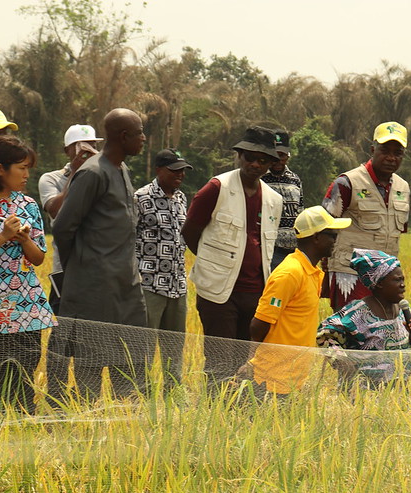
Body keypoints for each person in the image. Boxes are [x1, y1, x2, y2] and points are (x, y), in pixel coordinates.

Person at [51, 108, 149, 398]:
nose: (143, 139)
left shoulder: (122, 168)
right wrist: (82, 266)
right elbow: (64, 227)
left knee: (129, 356)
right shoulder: (93, 172)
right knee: (90, 358)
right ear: (123, 136)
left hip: (125, 285)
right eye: (140, 133)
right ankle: (86, 422)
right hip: (94, 286)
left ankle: (124, 421)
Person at [181, 126, 282, 382]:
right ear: (239, 156)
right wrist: (213, 263)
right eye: (250, 157)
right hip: (218, 292)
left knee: (246, 363)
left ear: (271, 163)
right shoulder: (217, 187)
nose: (255, 165)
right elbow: (191, 231)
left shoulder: (273, 199)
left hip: (255, 292)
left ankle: (238, 413)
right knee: (219, 362)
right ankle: (214, 410)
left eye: (263, 160)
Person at [0, 136, 54, 413]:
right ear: (0, 169)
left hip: (24, 308)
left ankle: (16, 428)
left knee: (20, 379)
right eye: (21, 168)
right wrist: (3, 236)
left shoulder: (27, 204)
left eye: (28, 168)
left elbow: (39, 258)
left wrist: (25, 240)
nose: (27, 175)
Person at [239, 206, 350, 399]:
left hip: (293, 377)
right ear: (316, 237)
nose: (336, 240)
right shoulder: (290, 273)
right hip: (271, 380)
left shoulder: (311, 272)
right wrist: (250, 364)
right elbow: (259, 324)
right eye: (332, 235)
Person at [323, 121, 411, 311]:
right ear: (372, 149)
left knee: (381, 333)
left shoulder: (403, 188)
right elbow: (324, 227)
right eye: (385, 150)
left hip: (386, 279)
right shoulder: (347, 183)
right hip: (350, 274)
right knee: (351, 332)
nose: (391, 158)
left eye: (397, 153)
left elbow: (399, 232)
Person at [317, 249, 411, 392]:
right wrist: (344, 362)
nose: (402, 285)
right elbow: (324, 333)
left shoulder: (402, 310)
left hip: (398, 394)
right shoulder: (358, 311)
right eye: (397, 280)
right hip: (363, 396)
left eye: (403, 279)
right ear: (379, 283)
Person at [134, 148, 191, 386]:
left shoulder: (181, 198)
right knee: (144, 345)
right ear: (159, 170)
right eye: (174, 170)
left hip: (177, 283)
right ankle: (140, 394)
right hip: (149, 283)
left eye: (183, 171)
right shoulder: (141, 197)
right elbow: (128, 238)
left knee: (175, 345)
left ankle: (172, 391)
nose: (180, 175)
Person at [38, 124, 102, 313]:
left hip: (99, 269)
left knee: (97, 331)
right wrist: (75, 173)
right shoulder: (51, 179)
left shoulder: (104, 178)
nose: (88, 151)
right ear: (67, 150)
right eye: (81, 146)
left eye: (93, 146)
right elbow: (55, 211)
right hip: (66, 269)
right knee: (64, 331)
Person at [261, 130, 304, 270]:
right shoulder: (260, 179)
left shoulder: (295, 180)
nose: (278, 160)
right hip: (270, 250)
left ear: (288, 155)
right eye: (275, 156)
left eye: (282, 156)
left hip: (293, 251)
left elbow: (300, 211)